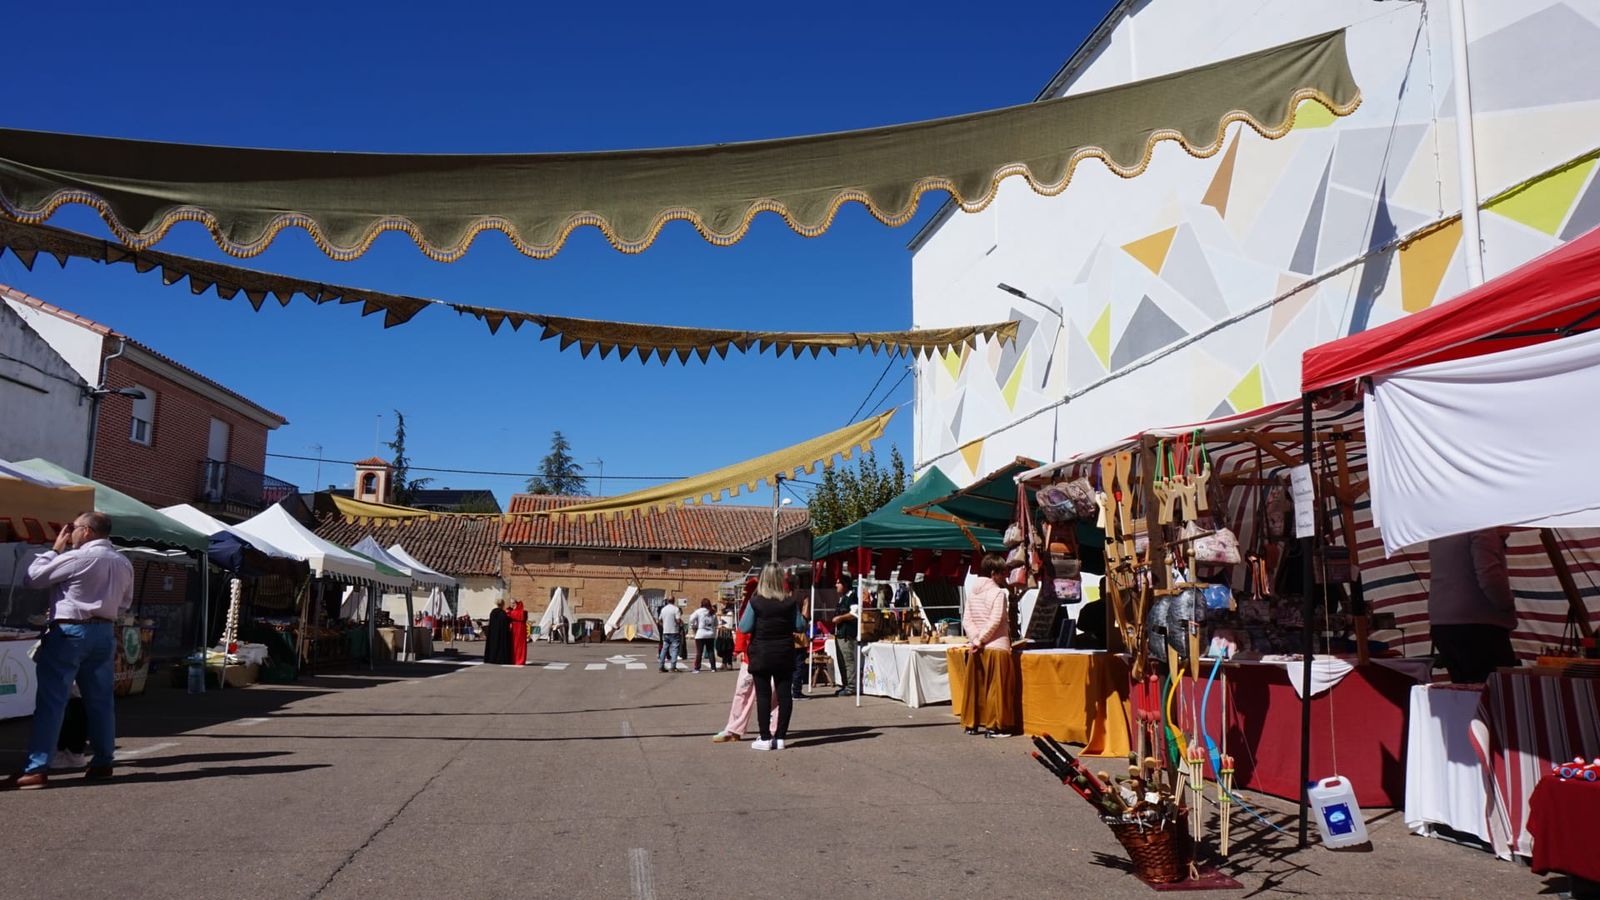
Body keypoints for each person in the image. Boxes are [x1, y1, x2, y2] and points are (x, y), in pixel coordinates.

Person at [3, 512, 132, 789]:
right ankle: (103, 762)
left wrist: (54, 550)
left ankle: (37, 768)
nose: (70, 532)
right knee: (100, 701)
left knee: (53, 701)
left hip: (72, 631)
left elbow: (33, 578)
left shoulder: (77, 557)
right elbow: (124, 603)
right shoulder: (123, 562)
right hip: (104, 631)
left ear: (86, 532)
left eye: (73, 528)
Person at [1428, 528, 1519, 683]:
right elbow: (1489, 576)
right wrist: (1507, 605)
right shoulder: (1483, 527)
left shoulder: (1443, 528)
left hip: (1443, 624)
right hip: (1478, 627)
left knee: (1466, 692)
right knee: (1495, 693)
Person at [737, 563, 805, 750]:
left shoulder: (756, 602)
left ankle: (765, 737)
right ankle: (781, 737)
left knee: (764, 695)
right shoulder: (789, 602)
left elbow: (743, 627)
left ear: (763, 579)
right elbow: (800, 626)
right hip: (784, 653)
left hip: (761, 653)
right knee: (785, 696)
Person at [960, 553, 1017, 738]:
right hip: (996, 645)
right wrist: (982, 640)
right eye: (1002, 573)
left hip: (977, 645)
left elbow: (967, 620)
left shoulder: (972, 593)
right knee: (997, 688)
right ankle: (995, 726)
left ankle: (972, 724)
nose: (1005, 577)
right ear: (994, 573)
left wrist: (976, 640)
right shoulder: (998, 593)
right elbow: (995, 620)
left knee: (975, 688)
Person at [832, 578, 859, 696]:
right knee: (841, 661)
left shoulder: (852, 596)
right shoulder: (842, 598)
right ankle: (845, 685)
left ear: (845, 584)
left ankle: (851, 687)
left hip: (847, 634)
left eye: (838, 582)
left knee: (848, 661)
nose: (836, 585)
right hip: (840, 634)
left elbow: (854, 613)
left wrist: (840, 618)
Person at [689, 599, 718, 672]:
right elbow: (716, 623)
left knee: (699, 652)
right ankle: (713, 667)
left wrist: (694, 625)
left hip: (701, 633)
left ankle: (697, 668)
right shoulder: (712, 612)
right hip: (710, 634)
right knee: (710, 651)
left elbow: (691, 619)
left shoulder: (698, 611)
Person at [484, 598, 512, 665]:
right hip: (501, 633)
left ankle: (491, 658)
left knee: (493, 645)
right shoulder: (503, 613)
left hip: (493, 633)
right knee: (500, 646)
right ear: (503, 604)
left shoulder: (492, 612)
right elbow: (505, 623)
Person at [658, 599, 683, 672]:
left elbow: (659, 620)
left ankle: (661, 666)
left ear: (667, 601)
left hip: (666, 631)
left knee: (664, 649)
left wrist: (664, 625)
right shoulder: (676, 609)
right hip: (674, 631)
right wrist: (680, 624)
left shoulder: (663, 609)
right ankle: (673, 667)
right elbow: (678, 620)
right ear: (674, 601)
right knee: (675, 649)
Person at [506, 599, 529, 666]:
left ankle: (519, 660)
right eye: (511, 603)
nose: (512, 604)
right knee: (514, 644)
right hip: (515, 628)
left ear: (516, 603)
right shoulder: (513, 611)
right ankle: (515, 659)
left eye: (513, 603)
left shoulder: (515, 612)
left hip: (519, 628)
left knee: (519, 645)